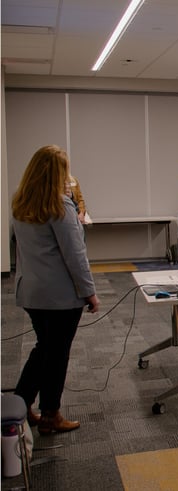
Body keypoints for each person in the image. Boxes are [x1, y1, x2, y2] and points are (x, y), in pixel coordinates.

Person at [11, 145, 100, 435]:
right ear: (56, 174)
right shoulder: (60, 206)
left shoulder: (21, 203)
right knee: (56, 353)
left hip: (32, 293)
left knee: (44, 349)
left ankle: (22, 404)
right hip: (60, 296)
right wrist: (90, 292)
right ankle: (50, 414)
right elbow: (75, 256)